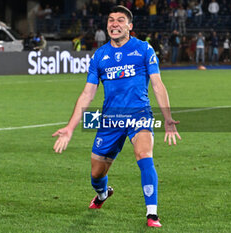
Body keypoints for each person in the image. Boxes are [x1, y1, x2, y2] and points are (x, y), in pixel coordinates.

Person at [52, 5, 181, 228]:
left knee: (143, 154)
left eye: (120, 20)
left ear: (130, 26)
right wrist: (70, 127)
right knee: (96, 174)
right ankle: (102, 194)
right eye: (111, 20)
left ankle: (152, 214)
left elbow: (158, 85)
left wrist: (167, 118)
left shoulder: (144, 49)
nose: (114, 24)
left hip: (139, 114)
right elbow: (87, 94)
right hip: (110, 120)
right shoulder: (100, 56)